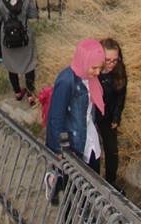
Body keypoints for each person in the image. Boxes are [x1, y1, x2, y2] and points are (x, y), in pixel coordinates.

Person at [45, 38, 106, 171]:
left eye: (100, 67)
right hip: (74, 142)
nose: (98, 72)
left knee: (92, 176)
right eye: (94, 67)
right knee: (75, 183)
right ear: (84, 60)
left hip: (89, 138)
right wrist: (60, 149)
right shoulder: (67, 80)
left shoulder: (91, 78)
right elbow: (56, 117)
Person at [0, 0, 39, 105]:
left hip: (6, 36)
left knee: (11, 65)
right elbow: (33, 14)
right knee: (29, 64)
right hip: (25, 33)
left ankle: (18, 92)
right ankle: (31, 95)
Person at [96, 37, 127, 188]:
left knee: (112, 151)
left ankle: (110, 182)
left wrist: (116, 116)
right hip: (92, 116)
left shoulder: (119, 69)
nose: (111, 64)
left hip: (108, 116)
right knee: (93, 151)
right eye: (107, 60)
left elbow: (120, 95)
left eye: (115, 60)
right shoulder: (93, 70)